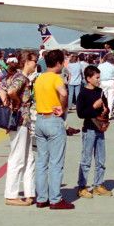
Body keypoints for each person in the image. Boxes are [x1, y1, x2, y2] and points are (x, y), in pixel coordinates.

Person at [33, 48, 72, 210]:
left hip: (40, 119)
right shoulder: (56, 78)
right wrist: (62, 108)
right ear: (58, 63)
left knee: (42, 161)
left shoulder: (39, 78)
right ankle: (55, 199)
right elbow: (63, 93)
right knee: (56, 162)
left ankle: (42, 197)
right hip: (53, 120)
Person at [0, 52, 37, 206]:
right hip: (20, 120)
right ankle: (11, 195)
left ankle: (30, 192)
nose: (36, 64)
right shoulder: (21, 78)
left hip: (23, 121)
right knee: (18, 157)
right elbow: (11, 91)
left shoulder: (13, 76)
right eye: (34, 61)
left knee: (29, 158)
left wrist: (6, 103)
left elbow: (2, 87)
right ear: (27, 62)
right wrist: (16, 102)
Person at [76, 65, 112, 198]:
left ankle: (98, 184)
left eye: (99, 77)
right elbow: (81, 113)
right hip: (89, 130)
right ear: (88, 78)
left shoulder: (100, 92)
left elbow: (106, 107)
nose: (99, 80)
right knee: (86, 159)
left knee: (101, 159)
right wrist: (93, 107)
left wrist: (105, 110)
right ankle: (82, 186)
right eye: (96, 77)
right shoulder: (83, 94)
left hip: (100, 129)